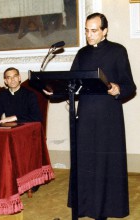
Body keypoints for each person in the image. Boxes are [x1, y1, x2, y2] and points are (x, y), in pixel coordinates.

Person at [66, 13, 136, 220]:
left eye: (94, 30)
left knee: (105, 161)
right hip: (86, 114)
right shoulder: (82, 53)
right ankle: (86, 206)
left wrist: (118, 88)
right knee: (85, 160)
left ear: (105, 31)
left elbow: (130, 85)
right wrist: (56, 91)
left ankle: (106, 208)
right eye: (87, 30)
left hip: (108, 116)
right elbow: (72, 81)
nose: (89, 34)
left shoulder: (117, 51)